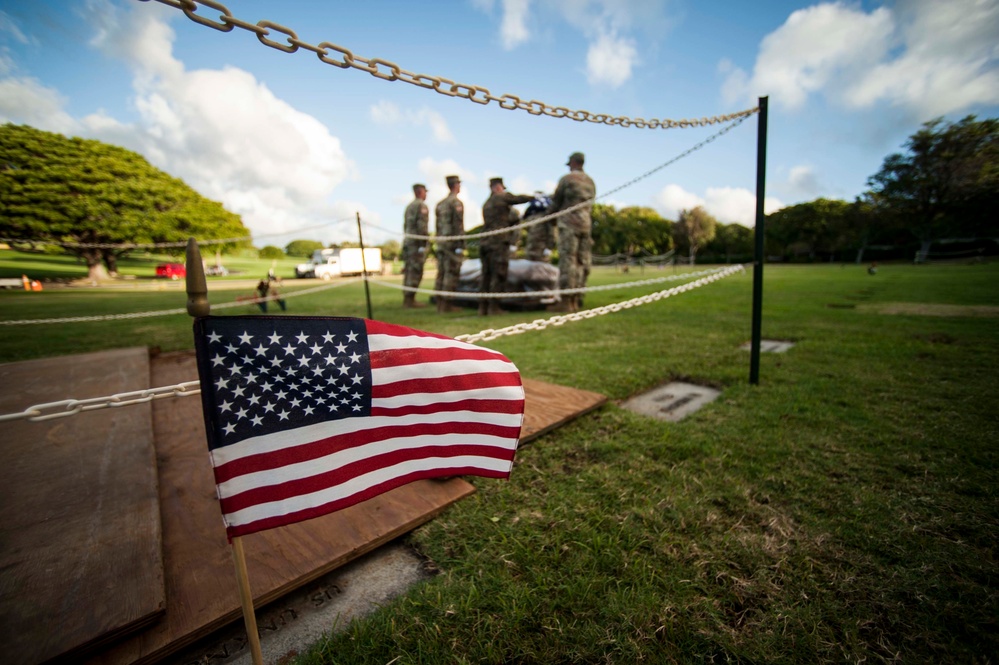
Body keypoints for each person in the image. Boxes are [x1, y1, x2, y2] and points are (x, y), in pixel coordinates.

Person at [479, 177, 534, 316]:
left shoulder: (487, 203)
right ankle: (494, 307)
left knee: (486, 276)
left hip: (485, 242)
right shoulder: (500, 198)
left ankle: (483, 308)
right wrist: (534, 197)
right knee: (499, 274)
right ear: (498, 187)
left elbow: (502, 220)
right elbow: (517, 199)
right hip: (497, 242)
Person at [549, 152, 595, 312]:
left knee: (568, 260)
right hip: (586, 225)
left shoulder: (567, 179)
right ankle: (577, 298)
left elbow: (556, 202)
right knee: (582, 262)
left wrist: (549, 218)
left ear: (573, 163)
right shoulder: (590, 182)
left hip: (569, 224)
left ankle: (566, 301)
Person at [433, 175, 465, 313]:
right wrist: (460, 245)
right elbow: (458, 225)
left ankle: (439, 304)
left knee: (441, 272)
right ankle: (447, 305)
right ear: (456, 185)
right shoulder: (456, 203)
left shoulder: (440, 204)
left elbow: (437, 226)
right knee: (451, 273)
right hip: (452, 244)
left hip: (441, 242)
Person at [401, 183, 430, 308]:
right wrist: (423, 244)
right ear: (420, 192)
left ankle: (408, 299)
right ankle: (410, 300)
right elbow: (421, 227)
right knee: (416, 271)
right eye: (425, 192)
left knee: (409, 271)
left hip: (408, 242)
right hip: (416, 244)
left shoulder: (409, 207)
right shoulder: (421, 206)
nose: (426, 194)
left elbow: (405, 226)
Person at [524, 192, 554, 262]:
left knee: (541, 270)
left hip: (541, 250)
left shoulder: (546, 216)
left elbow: (551, 232)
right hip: (530, 248)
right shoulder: (530, 217)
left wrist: (549, 248)